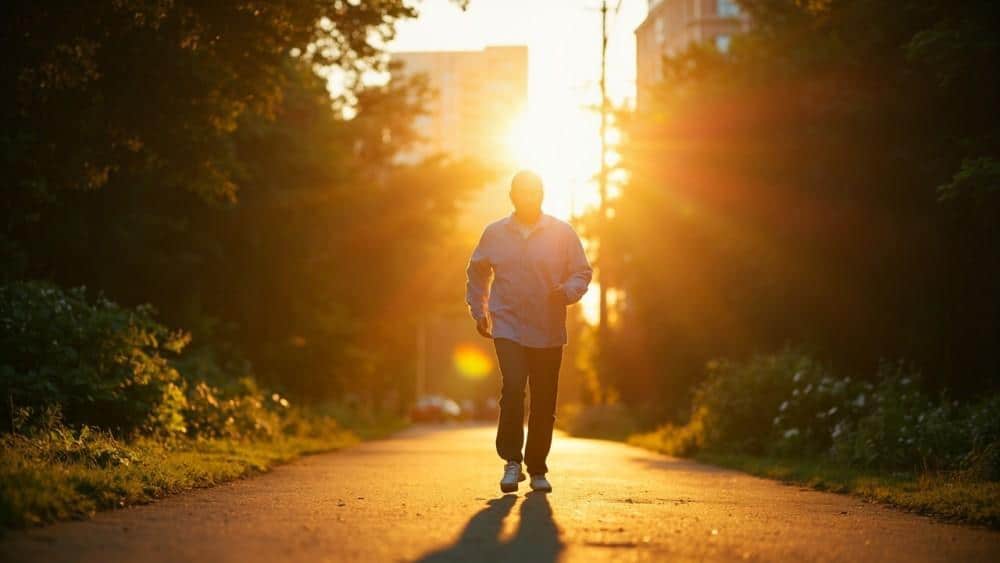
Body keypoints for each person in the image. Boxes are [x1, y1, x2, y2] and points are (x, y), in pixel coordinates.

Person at [465, 169, 593, 494]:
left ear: (542, 195)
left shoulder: (562, 233)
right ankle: (512, 461)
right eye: (522, 192)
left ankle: (537, 468)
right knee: (512, 387)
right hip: (507, 324)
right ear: (512, 196)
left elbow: (581, 271)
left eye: (534, 192)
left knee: (544, 400)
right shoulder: (495, 233)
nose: (528, 198)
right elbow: (477, 272)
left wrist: (567, 291)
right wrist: (479, 310)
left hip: (547, 327)